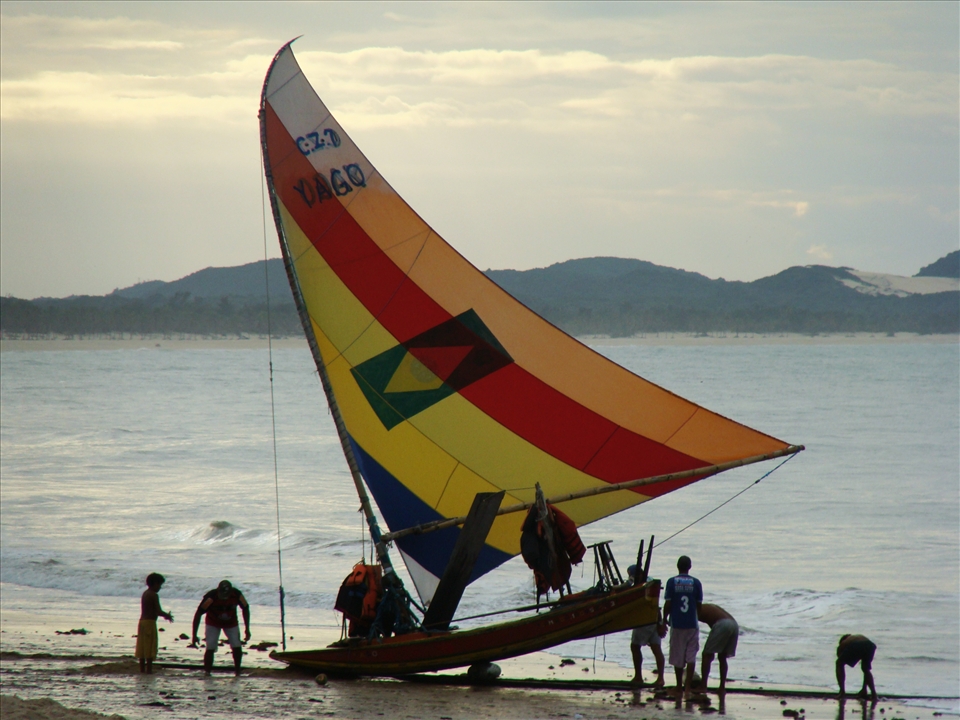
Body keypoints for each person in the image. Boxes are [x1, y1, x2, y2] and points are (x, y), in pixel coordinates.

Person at [662, 555, 702, 701]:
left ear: (677, 566)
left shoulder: (672, 582)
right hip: (692, 624)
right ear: (689, 567)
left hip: (677, 623)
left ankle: (679, 685)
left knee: (678, 656)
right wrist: (697, 618)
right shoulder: (696, 583)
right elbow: (699, 606)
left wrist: (663, 619)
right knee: (691, 656)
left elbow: (668, 604)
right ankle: (688, 688)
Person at [191, 579, 251, 676]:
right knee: (210, 646)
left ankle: (238, 671)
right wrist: (194, 635)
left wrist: (247, 629)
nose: (224, 598)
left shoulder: (237, 595)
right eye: (222, 595)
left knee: (237, 646)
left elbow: (245, 608)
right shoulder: (211, 597)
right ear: (218, 591)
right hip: (213, 623)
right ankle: (207, 672)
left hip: (231, 623)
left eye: (226, 596)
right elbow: (198, 614)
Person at [627, 565, 666, 688]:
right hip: (655, 619)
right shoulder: (650, 581)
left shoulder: (642, 585)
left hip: (645, 620)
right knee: (656, 648)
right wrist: (660, 623)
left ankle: (638, 676)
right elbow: (656, 604)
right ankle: (660, 678)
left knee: (635, 646)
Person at [135, 572, 173, 674]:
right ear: (155, 583)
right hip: (150, 623)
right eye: (159, 585)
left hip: (142, 622)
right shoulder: (154, 595)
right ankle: (149, 670)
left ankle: (142, 669)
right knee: (149, 647)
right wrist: (167, 616)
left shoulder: (145, 593)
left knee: (142, 647)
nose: (160, 587)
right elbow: (158, 611)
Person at [698, 603, 738, 692]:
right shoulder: (708, 607)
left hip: (723, 624)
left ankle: (703, 686)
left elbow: (691, 627)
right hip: (734, 624)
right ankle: (722, 687)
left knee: (706, 655)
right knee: (722, 657)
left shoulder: (695, 609)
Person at [836, 634, 877, 701]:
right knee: (865, 669)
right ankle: (873, 694)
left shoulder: (843, 643)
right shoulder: (856, 637)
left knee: (839, 664)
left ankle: (842, 692)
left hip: (857, 644)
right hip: (871, 645)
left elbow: (839, 658)